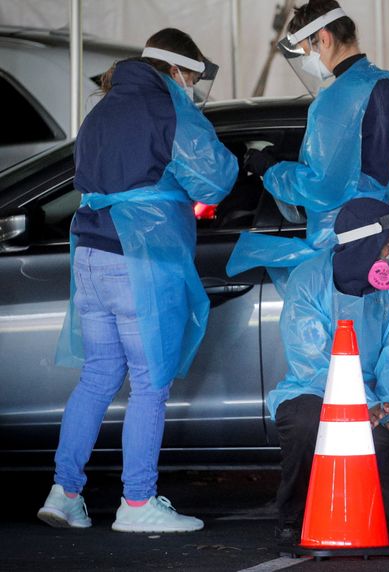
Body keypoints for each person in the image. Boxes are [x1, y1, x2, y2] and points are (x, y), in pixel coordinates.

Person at [38, 28, 238, 533]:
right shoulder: (168, 108)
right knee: (150, 384)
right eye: (191, 78)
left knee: (99, 375)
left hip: (89, 257)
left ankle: (64, 493)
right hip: (140, 261)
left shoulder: (100, 109)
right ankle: (137, 502)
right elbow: (214, 178)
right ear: (175, 70)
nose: (191, 87)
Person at [270, 198, 389, 542]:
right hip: (317, 387)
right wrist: (371, 407)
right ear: (363, 244)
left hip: (386, 393)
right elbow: (313, 361)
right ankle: (294, 515)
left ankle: (388, 509)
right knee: (303, 421)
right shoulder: (308, 281)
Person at [226, 0, 389, 294]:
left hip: (340, 242)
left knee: (334, 335)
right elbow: (363, 162)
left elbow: (322, 186)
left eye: (306, 50)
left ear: (325, 38)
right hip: (378, 236)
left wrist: (270, 169)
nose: (306, 60)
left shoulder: (338, 98)